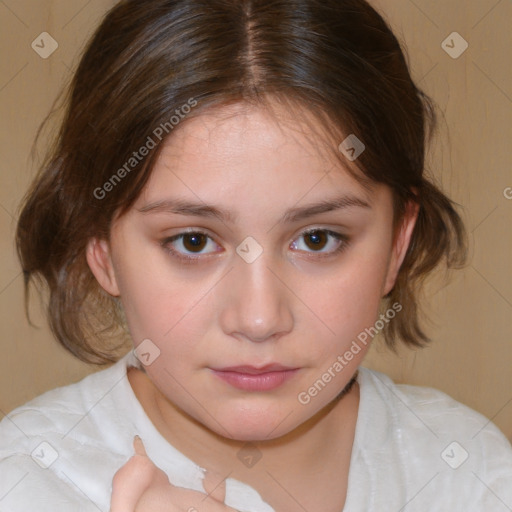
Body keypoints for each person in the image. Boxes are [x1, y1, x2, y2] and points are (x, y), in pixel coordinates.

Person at [0, 0, 511, 510]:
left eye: (317, 239)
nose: (260, 318)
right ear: (101, 248)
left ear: (397, 242)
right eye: (193, 241)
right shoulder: (24, 482)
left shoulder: (469, 470)